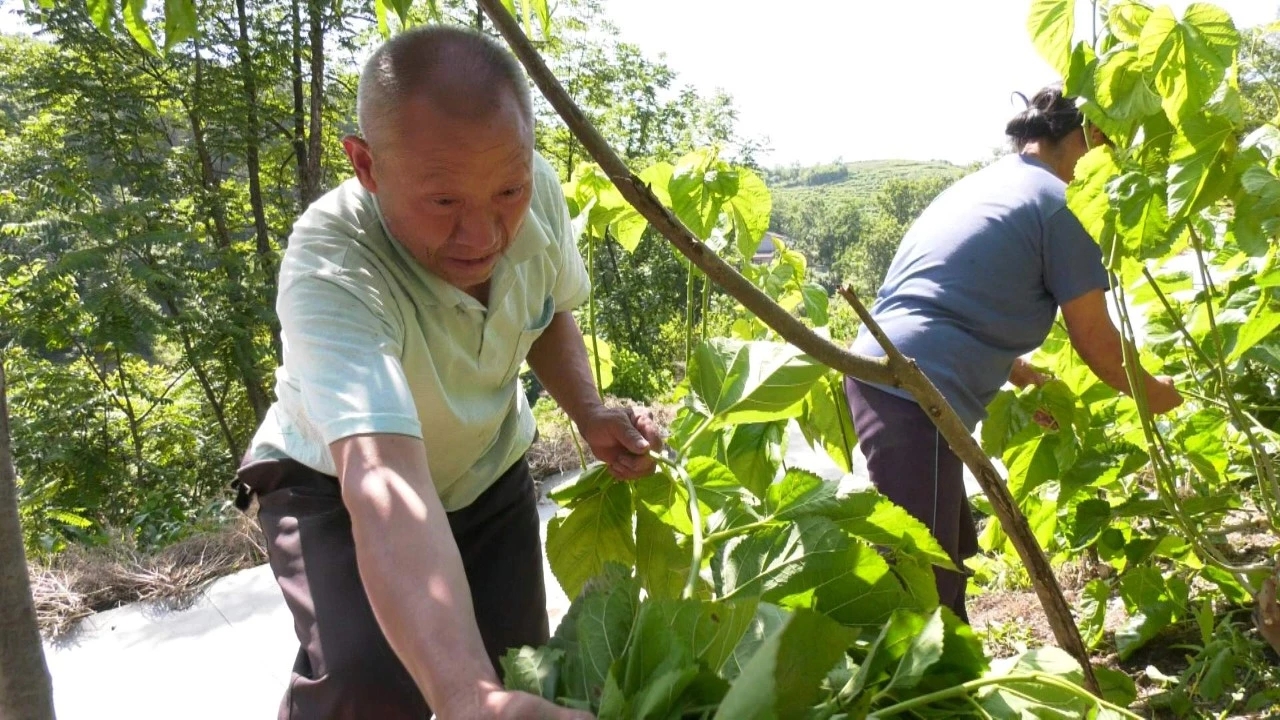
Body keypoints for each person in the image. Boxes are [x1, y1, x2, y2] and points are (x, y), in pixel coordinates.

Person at [231, 25, 660, 720]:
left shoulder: (535, 192)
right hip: (333, 488)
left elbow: (545, 308)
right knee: (368, 686)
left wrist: (588, 410)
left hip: (486, 474)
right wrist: (464, 698)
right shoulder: (331, 264)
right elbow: (383, 477)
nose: (484, 235)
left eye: (507, 193)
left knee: (522, 674)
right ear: (367, 167)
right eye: (443, 204)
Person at [844, 84, 1183, 621]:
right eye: (1106, 148)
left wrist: (1020, 371)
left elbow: (955, 296)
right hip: (913, 389)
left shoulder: (987, 185)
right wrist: (1160, 395)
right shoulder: (1062, 204)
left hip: (889, 372)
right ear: (1087, 138)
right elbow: (1095, 339)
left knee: (939, 553)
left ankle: (930, 686)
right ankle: (911, 699)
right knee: (920, 587)